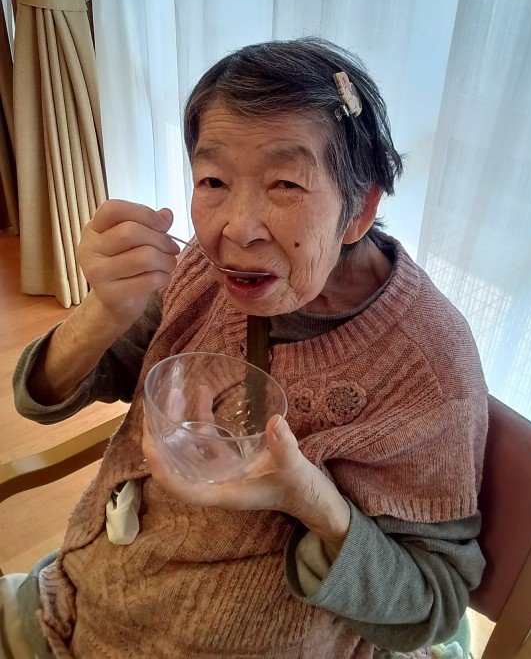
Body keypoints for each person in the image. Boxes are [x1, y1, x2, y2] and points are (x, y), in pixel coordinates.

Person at [6, 38, 487, 659]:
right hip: (75, 599)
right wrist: (105, 310)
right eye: (213, 180)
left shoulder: (427, 367)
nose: (236, 228)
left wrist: (304, 496)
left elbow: (432, 605)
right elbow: (43, 395)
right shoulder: (203, 270)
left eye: (285, 183)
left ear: (360, 209)